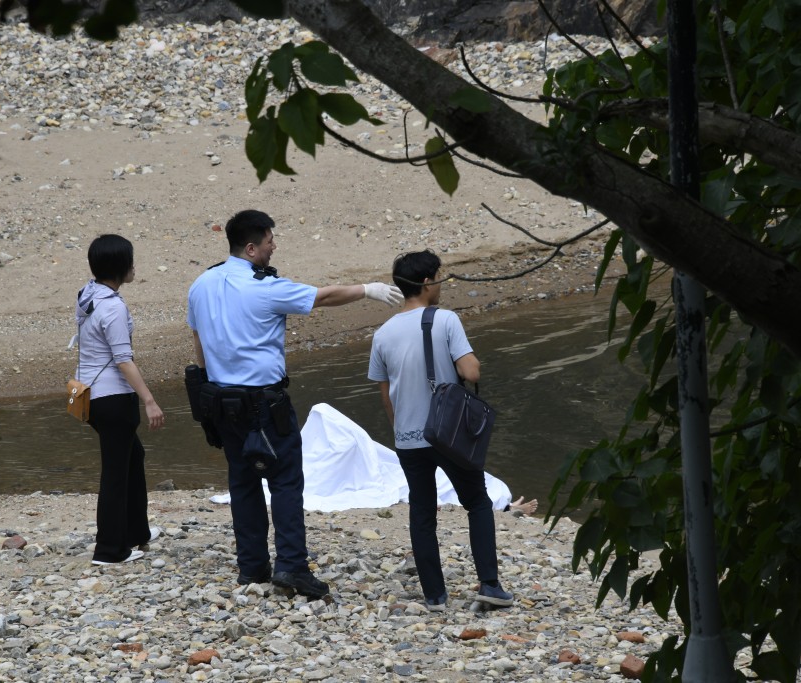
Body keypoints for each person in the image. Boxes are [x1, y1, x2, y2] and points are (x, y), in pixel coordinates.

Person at [187, 209, 403, 600]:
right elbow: (322, 297)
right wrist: (368, 289)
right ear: (251, 248)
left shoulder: (201, 284)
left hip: (221, 403)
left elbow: (199, 341)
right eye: (270, 239)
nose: (274, 245)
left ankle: (251, 568)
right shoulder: (264, 287)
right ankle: (292, 567)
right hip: (264, 404)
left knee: (243, 483)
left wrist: (206, 388)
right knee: (285, 481)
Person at [367, 249, 514, 612]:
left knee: (422, 512)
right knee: (476, 502)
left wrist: (403, 432)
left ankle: (434, 595)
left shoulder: (382, 334)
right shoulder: (445, 320)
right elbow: (471, 373)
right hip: (448, 435)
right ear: (428, 281)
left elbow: (386, 395)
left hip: (408, 438)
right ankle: (490, 586)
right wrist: (470, 359)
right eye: (439, 277)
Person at [75, 234, 165, 566]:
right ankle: (109, 551)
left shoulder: (87, 294)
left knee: (132, 457)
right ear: (119, 267)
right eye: (130, 260)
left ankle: (136, 532)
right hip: (112, 398)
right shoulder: (112, 306)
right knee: (115, 472)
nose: (134, 266)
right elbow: (123, 359)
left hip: (89, 397)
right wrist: (149, 400)